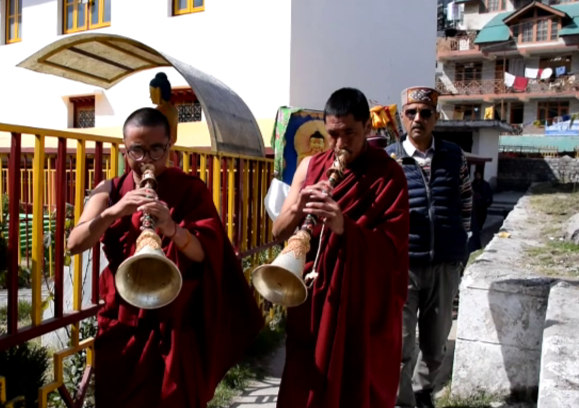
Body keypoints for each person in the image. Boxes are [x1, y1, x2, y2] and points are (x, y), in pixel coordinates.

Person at [66, 107, 264, 408]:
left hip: (174, 322)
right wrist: (113, 212)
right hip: (124, 322)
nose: (146, 159)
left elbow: (205, 253)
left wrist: (171, 228)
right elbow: (74, 244)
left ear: (168, 146)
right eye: (138, 150)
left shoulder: (189, 189)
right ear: (124, 150)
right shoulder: (110, 191)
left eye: (156, 149)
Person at [273, 87, 410, 408]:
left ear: (368, 128)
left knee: (352, 384)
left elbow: (392, 252)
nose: (339, 144)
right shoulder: (309, 168)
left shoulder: (390, 176)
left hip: (359, 305)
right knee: (305, 380)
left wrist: (343, 226)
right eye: (333, 134)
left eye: (349, 133)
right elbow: (279, 233)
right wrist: (298, 208)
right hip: (311, 297)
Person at [385, 87, 472, 408]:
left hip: (444, 266)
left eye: (425, 112)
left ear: (436, 117)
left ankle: (423, 392)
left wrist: (461, 240)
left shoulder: (453, 155)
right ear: (402, 118)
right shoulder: (390, 159)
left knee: (436, 346)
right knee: (401, 347)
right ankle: (403, 403)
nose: (418, 119)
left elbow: (465, 199)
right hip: (402, 267)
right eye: (411, 113)